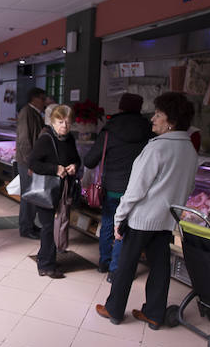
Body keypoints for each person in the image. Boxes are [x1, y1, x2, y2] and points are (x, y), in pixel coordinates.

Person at [96, 92, 197, 329]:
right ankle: (154, 313)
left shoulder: (157, 148)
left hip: (142, 219)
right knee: (161, 267)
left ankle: (114, 309)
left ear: (170, 121)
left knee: (125, 265)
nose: (153, 119)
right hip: (166, 220)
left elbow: (135, 189)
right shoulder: (190, 150)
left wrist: (120, 218)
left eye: (158, 115)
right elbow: (189, 187)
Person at [83, 93, 153, 274]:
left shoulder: (109, 130)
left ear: (121, 108)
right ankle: (116, 270)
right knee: (125, 229)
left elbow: (90, 161)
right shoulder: (148, 131)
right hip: (137, 189)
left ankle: (104, 263)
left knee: (108, 223)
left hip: (112, 188)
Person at [28, 104, 81, 279]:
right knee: (48, 227)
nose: (64, 126)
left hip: (62, 190)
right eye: (60, 122)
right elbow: (33, 163)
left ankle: (46, 259)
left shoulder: (70, 139)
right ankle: (46, 266)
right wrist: (55, 169)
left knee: (53, 227)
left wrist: (74, 166)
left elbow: (76, 159)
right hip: (47, 190)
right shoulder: (46, 138)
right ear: (53, 122)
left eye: (67, 122)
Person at [15, 87, 48, 240]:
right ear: (34, 98)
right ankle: (26, 227)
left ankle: (30, 224)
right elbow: (24, 141)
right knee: (28, 196)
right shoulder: (26, 113)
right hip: (28, 163)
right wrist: (31, 163)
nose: (45, 101)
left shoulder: (35, 113)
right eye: (43, 98)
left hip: (33, 162)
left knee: (32, 195)